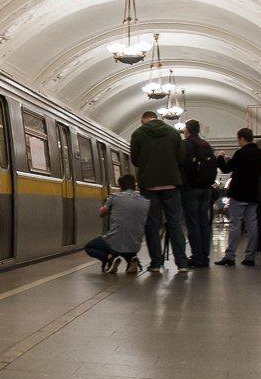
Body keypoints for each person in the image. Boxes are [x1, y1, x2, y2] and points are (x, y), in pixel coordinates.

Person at [129, 111, 191, 273]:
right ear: (158, 118)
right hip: (171, 185)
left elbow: (135, 159)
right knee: (175, 223)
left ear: (143, 121)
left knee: (152, 225)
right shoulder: (173, 133)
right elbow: (181, 157)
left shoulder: (138, 133)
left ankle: (156, 263)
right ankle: (182, 263)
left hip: (149, 185)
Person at [214, 128, 261, 266]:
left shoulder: (241, 153)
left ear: (242, 138)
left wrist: (220, 157)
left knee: (235, 224)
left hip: (239, 194)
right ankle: (250, 257)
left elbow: (226, 169)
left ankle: (230, 256)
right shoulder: (260, 154)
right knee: (252, 225)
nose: (238, 142)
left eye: (238, 139)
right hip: (253, 194)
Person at [83, 174, 150, 274]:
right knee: (126, 246)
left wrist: (106, 207)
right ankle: (132, 260)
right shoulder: (145, 201)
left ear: (120, 186)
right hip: (136, 243)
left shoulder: (114, 197)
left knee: (89, 247)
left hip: (115, 241)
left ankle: (109, 258)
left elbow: (102, 213)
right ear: (134, 186)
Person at [179, 119, 218, 268]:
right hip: (206, 188)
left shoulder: (185, 145)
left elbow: (181, 164)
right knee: (204, 223)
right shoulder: (206, 145)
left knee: (193, 223)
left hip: (190, 188)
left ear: (187, 130)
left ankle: (197, 257)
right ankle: (205, 256)